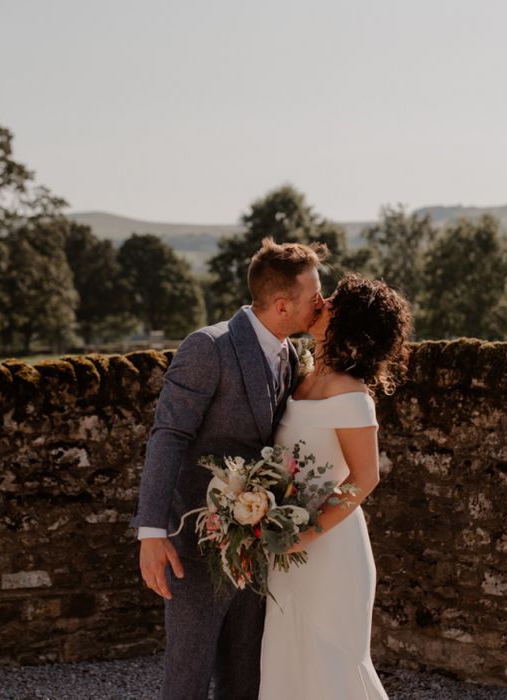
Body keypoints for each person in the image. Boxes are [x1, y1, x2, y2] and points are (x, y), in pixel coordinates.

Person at [130, 237, 328, 700]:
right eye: (314, 295)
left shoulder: (293, 355)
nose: (322, 302)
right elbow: (168, 435)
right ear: (282, 305)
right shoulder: (209, 347)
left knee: (246, 675)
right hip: (195, 547)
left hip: (258, 547)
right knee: (188, 677)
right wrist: (151, 533)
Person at [259, 273, 412, 700]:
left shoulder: (350, 393)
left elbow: (366, 477)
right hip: (288, 547)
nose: (323, 300)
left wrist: (306, 533)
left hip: (329, 551)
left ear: (350, 324)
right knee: (289, 663)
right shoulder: (302, 372)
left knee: (332, 669)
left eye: (336, 301)